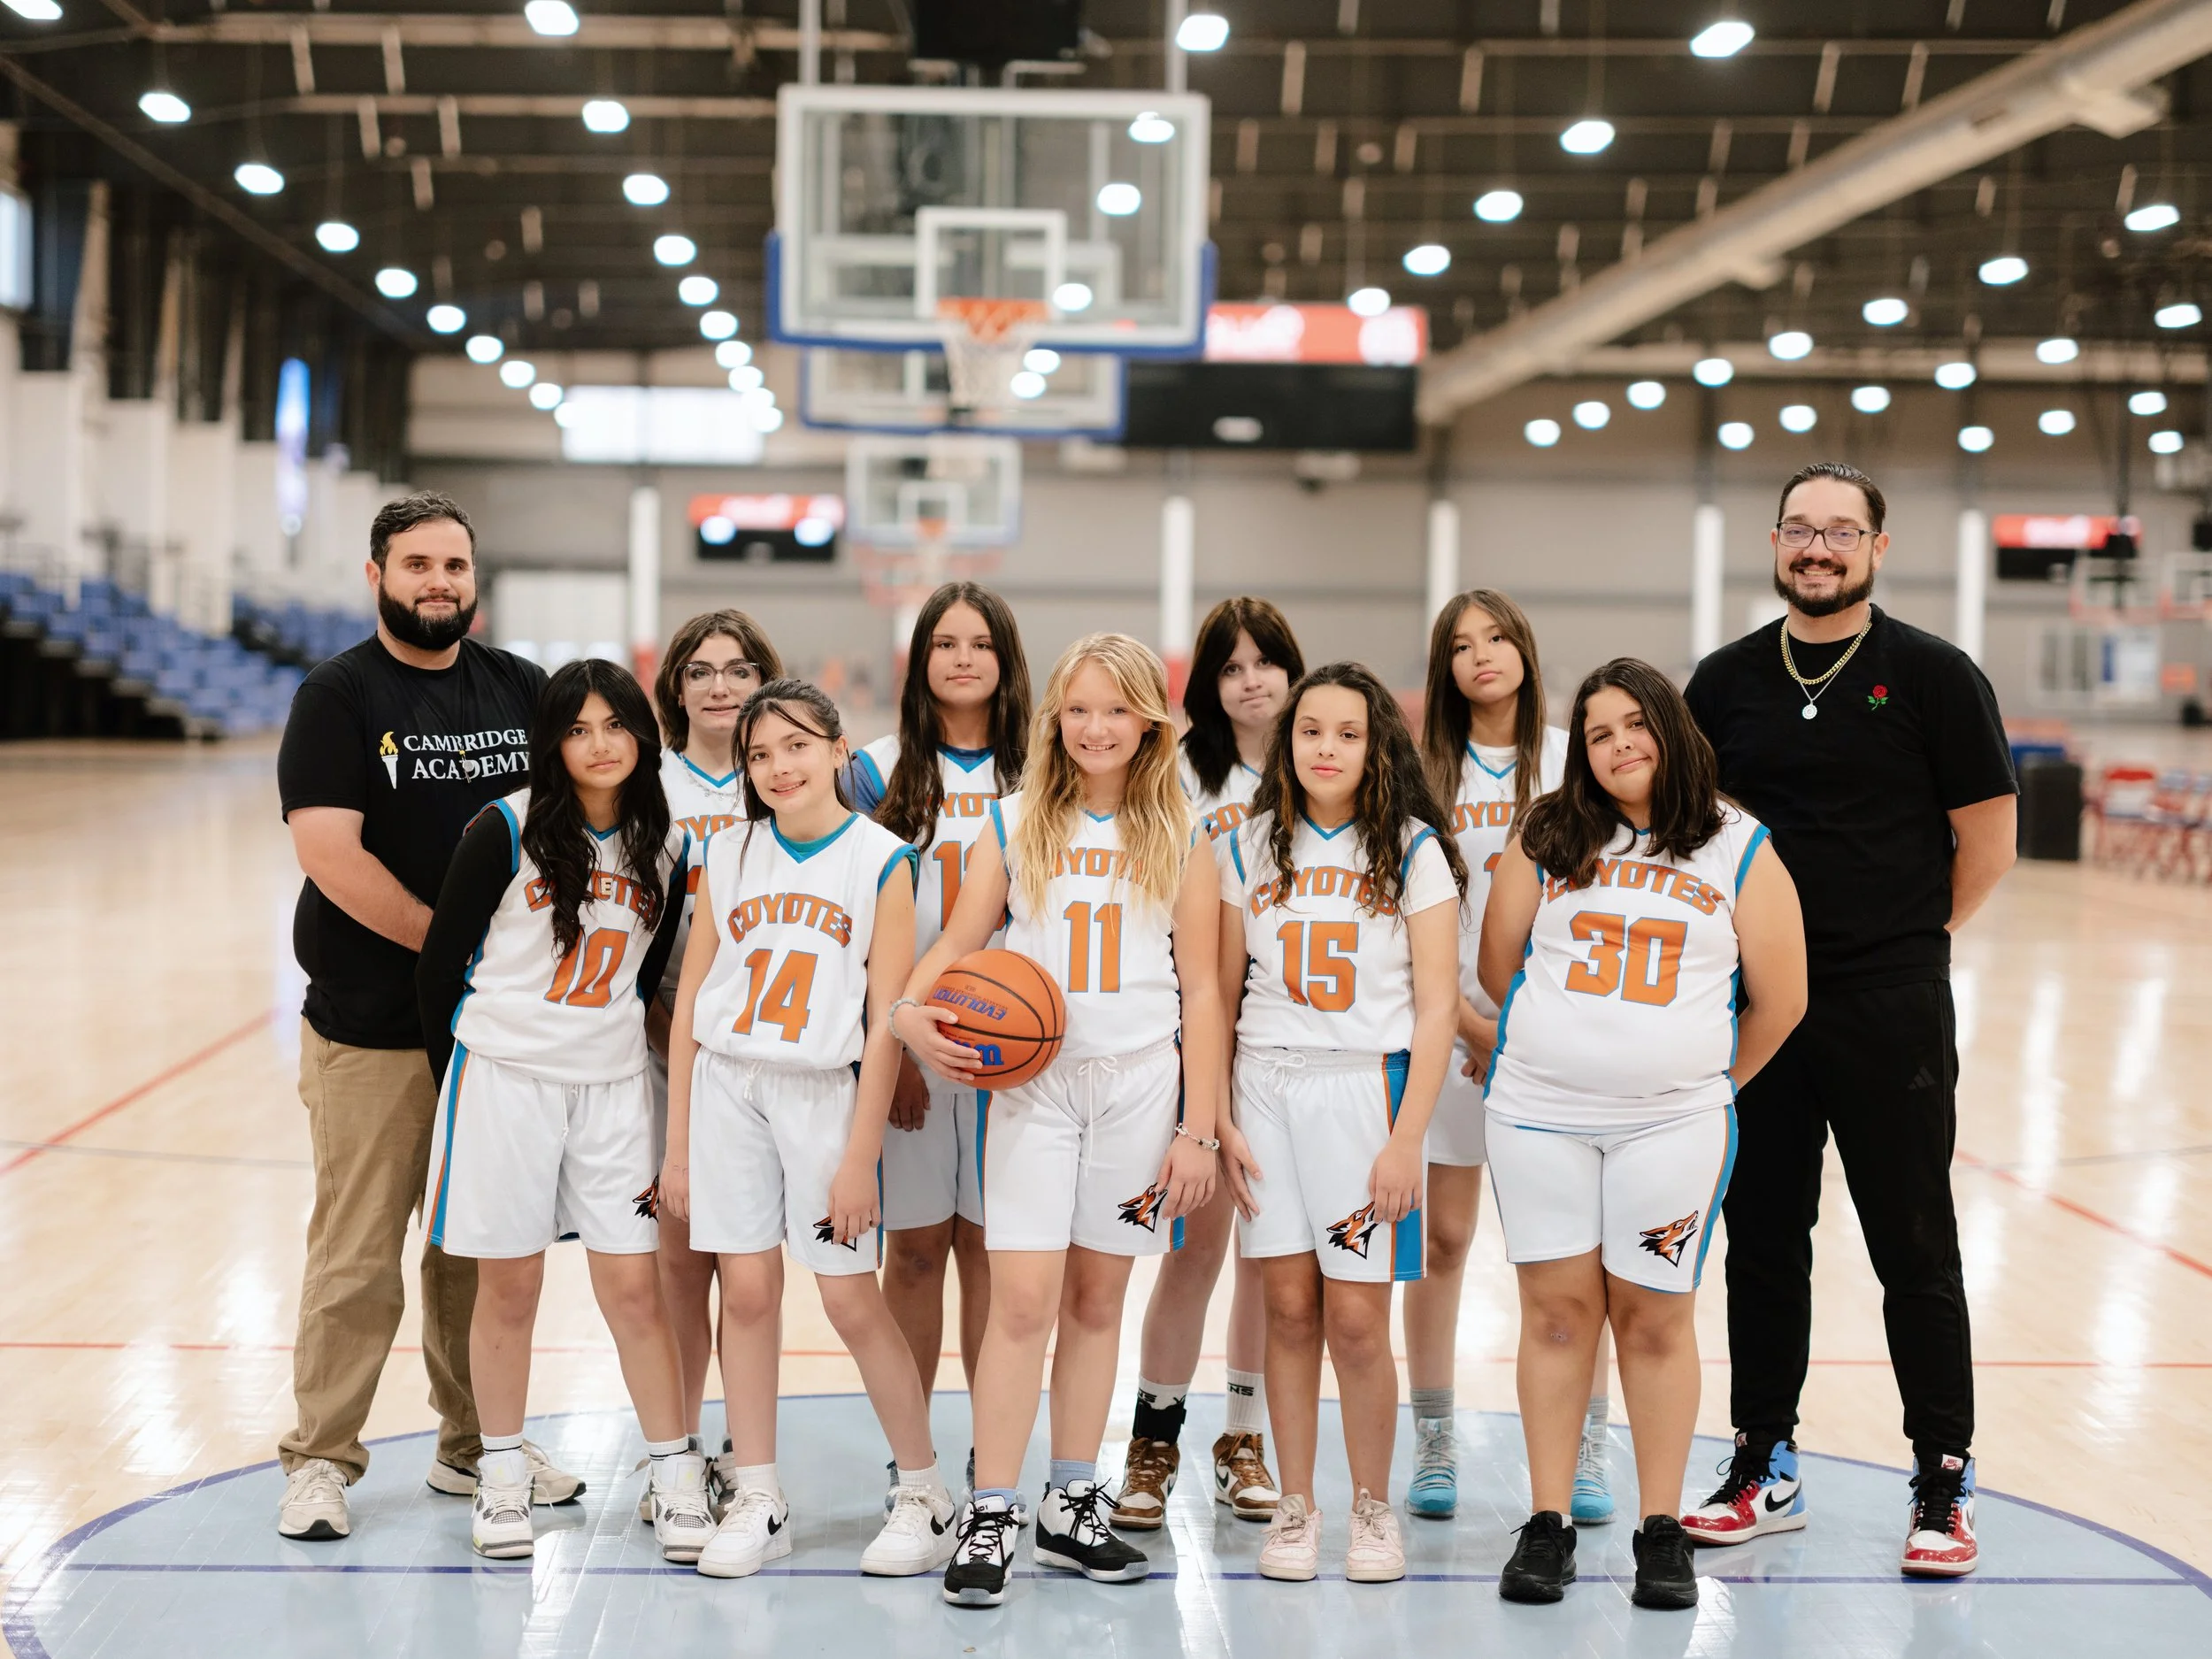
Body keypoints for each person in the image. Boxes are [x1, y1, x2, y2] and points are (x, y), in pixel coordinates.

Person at [1680, 461, 2016, 1578]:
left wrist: (1904, 942)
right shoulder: (1724, 683)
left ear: (1877, 546)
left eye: (1840, 531)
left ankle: (1942, 1478)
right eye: (1798, 529)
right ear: (1773, 543)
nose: (1816, 549)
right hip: (1758, 1009)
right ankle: (1763, 1461)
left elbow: (1988, 842)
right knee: (1764, 1243)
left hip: (1888, 1001)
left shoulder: (1933, 676)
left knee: (1912, 1245)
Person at [894, 633, 1225, 1608]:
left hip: (1136, 1085)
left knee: (1096, 1305)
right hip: (1032, 1091)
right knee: (1024, 1303)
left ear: (1148, 724)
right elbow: (957, 942)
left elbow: (1202, 991)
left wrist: (1196, 1127)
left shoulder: (1185, 832)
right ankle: (992, 1506)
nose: (1093, 727)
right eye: (1077, 709)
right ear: (1055, 721)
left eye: (1114, 710)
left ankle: (1070, 1501)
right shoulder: (1014, 822)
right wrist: (910, 1011)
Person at [273, 489, 579, 1540]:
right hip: (372, 1023)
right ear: (377, 576)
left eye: (454, 565)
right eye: (417, 565)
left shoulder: (522, 689)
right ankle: (320, 1461)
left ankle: (470, 1446)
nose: (438, 583)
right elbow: (329, 855)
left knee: (473, 1254)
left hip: (489, 1035)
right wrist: (458, 949)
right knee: (358, 1254)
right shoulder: (339, 695)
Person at [1480, 658, 1806, 1611]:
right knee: (1553, 1315)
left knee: (1655, 1318)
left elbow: (1781, 1001)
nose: (1618, 745)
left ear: (1670, 729)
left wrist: (1702, 1087)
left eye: (1634, 724)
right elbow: (1502, 970)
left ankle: (1659, 1529)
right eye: (1596, 733)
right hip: (1538, 1113)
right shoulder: (1545, 835)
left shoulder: (1737, 845)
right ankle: (1547, 1524)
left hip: (1673, 1122)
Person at [414, 659, 713, 1562]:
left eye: (614, 725)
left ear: (641, 734)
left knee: (633, 1288)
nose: (598, 744)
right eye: (577, 729)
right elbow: (438, 969)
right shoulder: (502, 828)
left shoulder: (669, 846)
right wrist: (457, 1086)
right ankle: (500, 1476)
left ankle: (672, 1472)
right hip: (505, 1079)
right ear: (551, 740)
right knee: (510, 1287)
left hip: (614, 1087)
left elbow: (649, 970)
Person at [660, 680, 956, 1580]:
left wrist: (861, 1157)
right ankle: (759, 1493)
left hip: (824, 1093)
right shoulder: (728, 851)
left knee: (845, 1300)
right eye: (758, 755)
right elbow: (686, 1011)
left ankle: (923, 1492)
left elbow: (887, 1018)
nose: (777, 767)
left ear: (837, 748)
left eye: (794, 746)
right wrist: (676, 1145)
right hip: (727, 1089)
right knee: (745, 1295)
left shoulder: (881, 859)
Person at [1222, 663, 1464, 1585]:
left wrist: (1407, 1137)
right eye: (1310, 730)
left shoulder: (1411, 848)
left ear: (1376, 748)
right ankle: (1297, 1505)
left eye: (1348, 733)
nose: (1326, 747)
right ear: (1287, 744)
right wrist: (1215, 1116)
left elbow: (1437, 1008)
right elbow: (1217, 989)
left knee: (1357, 1322)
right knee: (1286, 1309)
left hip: (1365, 1090)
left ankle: (1371, 1505)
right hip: (1265, 1085)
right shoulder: (1246, 847)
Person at [1408, 588, 1609, 1524]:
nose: (1480, 655)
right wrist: (1463, 1024)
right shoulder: (1420, 772)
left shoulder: (1578, 760)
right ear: (1443, 668)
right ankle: (1434, 1438)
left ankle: (1590, 1450)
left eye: (1494, 637)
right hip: (1451, 1033)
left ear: (1524, 648)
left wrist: (1526, 1028)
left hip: (1557, 1037)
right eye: (1460, 645)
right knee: (1441, 1243)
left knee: (1573, 1260)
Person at [1113, 595, 1302, 1532]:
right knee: (1192, 1253)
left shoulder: (1325, 771)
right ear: (1207, 687)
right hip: (1193, 1040)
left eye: (1265, 661)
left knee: (1269, 1261)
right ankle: (1153, 1440)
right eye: (1230, 667)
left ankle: (1244, 1437)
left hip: (1285, 1045)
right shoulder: (1181, 776)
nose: (1251, 679)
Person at [848, 582, 1031, 1508]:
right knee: (915, 1255)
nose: (962, 659)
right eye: (944, 644)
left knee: (995, 1254)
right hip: (913, 1049)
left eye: (979, 643)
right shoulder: (875, 773)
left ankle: (986, 1458)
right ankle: (911, 1460)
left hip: (1016, 1060)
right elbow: (855, 924)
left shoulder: (1045, 772)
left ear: (1006, 659)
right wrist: (894, 1051)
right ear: (919, 661)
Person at [642, 609, 784, 1502]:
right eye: (701, 671)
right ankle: (677, 1450)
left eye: (738, 670)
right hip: (659, 1047)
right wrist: (664, 1031)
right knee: (677, 1265)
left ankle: (744, 1447)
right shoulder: (647, 781)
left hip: (753, 1057)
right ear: (676, 688)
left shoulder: (786, 776)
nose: (721, 686)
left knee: (749, 1265)